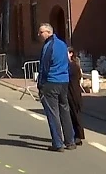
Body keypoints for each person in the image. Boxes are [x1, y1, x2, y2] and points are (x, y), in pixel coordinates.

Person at [36, 23, 76, 152]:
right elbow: (66, 62)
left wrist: (40, 84)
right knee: (65, 111)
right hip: (63, 81)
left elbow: (44, 66)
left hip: (51, 82)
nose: (39, 35)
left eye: (41, 32)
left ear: (48, 32)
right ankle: (70, 141)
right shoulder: (62, 44)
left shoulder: (48, 46)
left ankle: (58, 143)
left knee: (53, 114)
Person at [67, 46, 85, 145]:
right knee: (70, 115)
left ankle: (78, 136)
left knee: (75, 114)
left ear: (71, 54)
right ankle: (73, 134)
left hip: (74, 93)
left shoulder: (73, 66)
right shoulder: (68, 65)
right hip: (69, 92)